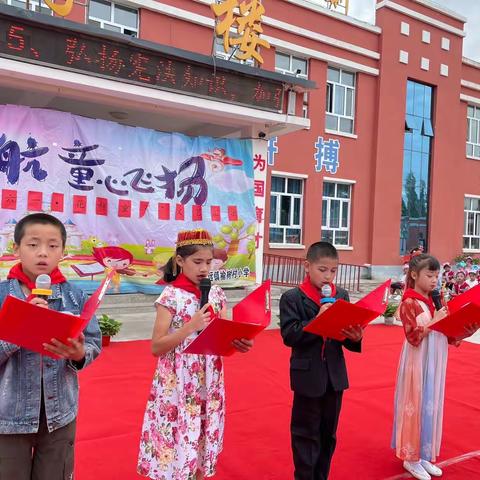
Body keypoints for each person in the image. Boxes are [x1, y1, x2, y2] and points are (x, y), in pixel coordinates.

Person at [137, 229, 253, 480]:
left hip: (209, 380)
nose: (204, 268)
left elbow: (221, 337)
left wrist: (238, 342)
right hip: (177, 382)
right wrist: (190, 326)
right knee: (179, 438)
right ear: (180, 262)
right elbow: (156, 346)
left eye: (208, 262)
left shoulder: (216, 294)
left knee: (201, 438)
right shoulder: (170, 296)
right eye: (197, 262)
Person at [0, 213, 102, 480]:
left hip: (59, 414)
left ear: (63, 252)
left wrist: (79, 355)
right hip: (7, 417)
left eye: (52, 246)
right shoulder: (2, 296)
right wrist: (20, 330)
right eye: (33, 244)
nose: (43, 253)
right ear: (16, 249)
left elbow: (92, 344)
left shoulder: (75, 296)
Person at [279, 241, 363, 480]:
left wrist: (355, 337)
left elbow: (344, 336)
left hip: (334, 377)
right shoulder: (292, 298)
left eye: (333, 271)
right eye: (322, 269)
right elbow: (290, 335)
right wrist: (318, 320)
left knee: (328, 434)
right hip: (307, 376)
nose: (328, 277)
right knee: (305, 434)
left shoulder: (342, 295)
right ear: (307, 266)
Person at [391, 254, 478, 480]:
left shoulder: (436, 301)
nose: (434, 280)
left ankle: (423, 455)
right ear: (413, 275)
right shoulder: (409, 302)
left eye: (437, 276)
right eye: (429, 275)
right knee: (416, 404)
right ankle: (411, 458)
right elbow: (413, 336)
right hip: (417, 361)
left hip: (436, 360)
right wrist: (436, 321)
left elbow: (448, 333)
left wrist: (465, 329)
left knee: (431, 405)